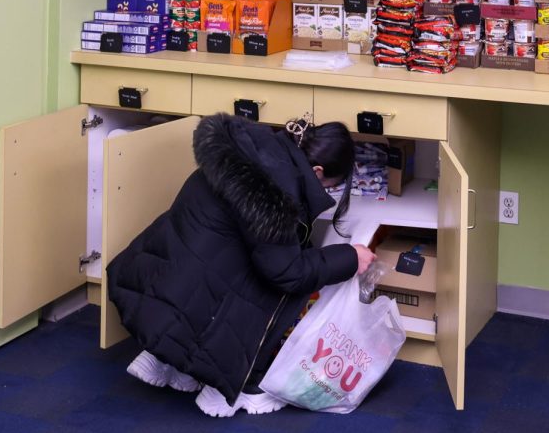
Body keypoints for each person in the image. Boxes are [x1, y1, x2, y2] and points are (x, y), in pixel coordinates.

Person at [106, 113, 376, 417]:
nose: (327, 193)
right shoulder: (275, 194)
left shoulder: (253, 151)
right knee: (288, 287)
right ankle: (232, 388)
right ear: (316, 171)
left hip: (160, 286)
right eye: (329, 185)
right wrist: (350, 257)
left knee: (244, 258)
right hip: (193, 300)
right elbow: (289, 273)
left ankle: (167, 357)